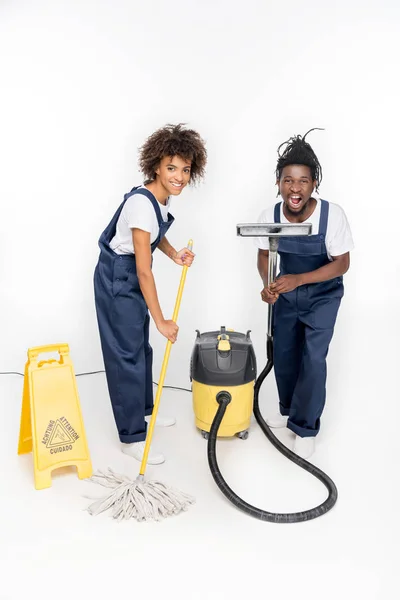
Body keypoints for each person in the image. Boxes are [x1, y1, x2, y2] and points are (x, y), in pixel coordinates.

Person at [94, 123, 207, 464]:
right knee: (126, 355)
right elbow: (143, 269)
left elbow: (154, 236)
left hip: (130, 274)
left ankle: (144, 413)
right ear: (156, 165)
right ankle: (131, 437)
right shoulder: (142, 204)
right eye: (172, 168)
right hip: (119, 277)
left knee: (139, 350)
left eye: (185, 170)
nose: (180, 177)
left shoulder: (158, 199)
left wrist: (174, 254)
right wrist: (161, 320)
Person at [255, 129, 354, 459]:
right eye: (288, 180)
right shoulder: (270, 216)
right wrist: (269, 285)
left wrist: (299, 279)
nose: (295, 188)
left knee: (312, 358)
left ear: (314, 184)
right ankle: (288, 413)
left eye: (303, 180)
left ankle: (305, 426)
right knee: (284, 356)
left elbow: (341, 264)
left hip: (323, 296)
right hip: (287, 294)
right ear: (279, 183)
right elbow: (264, 254)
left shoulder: (331, 215)